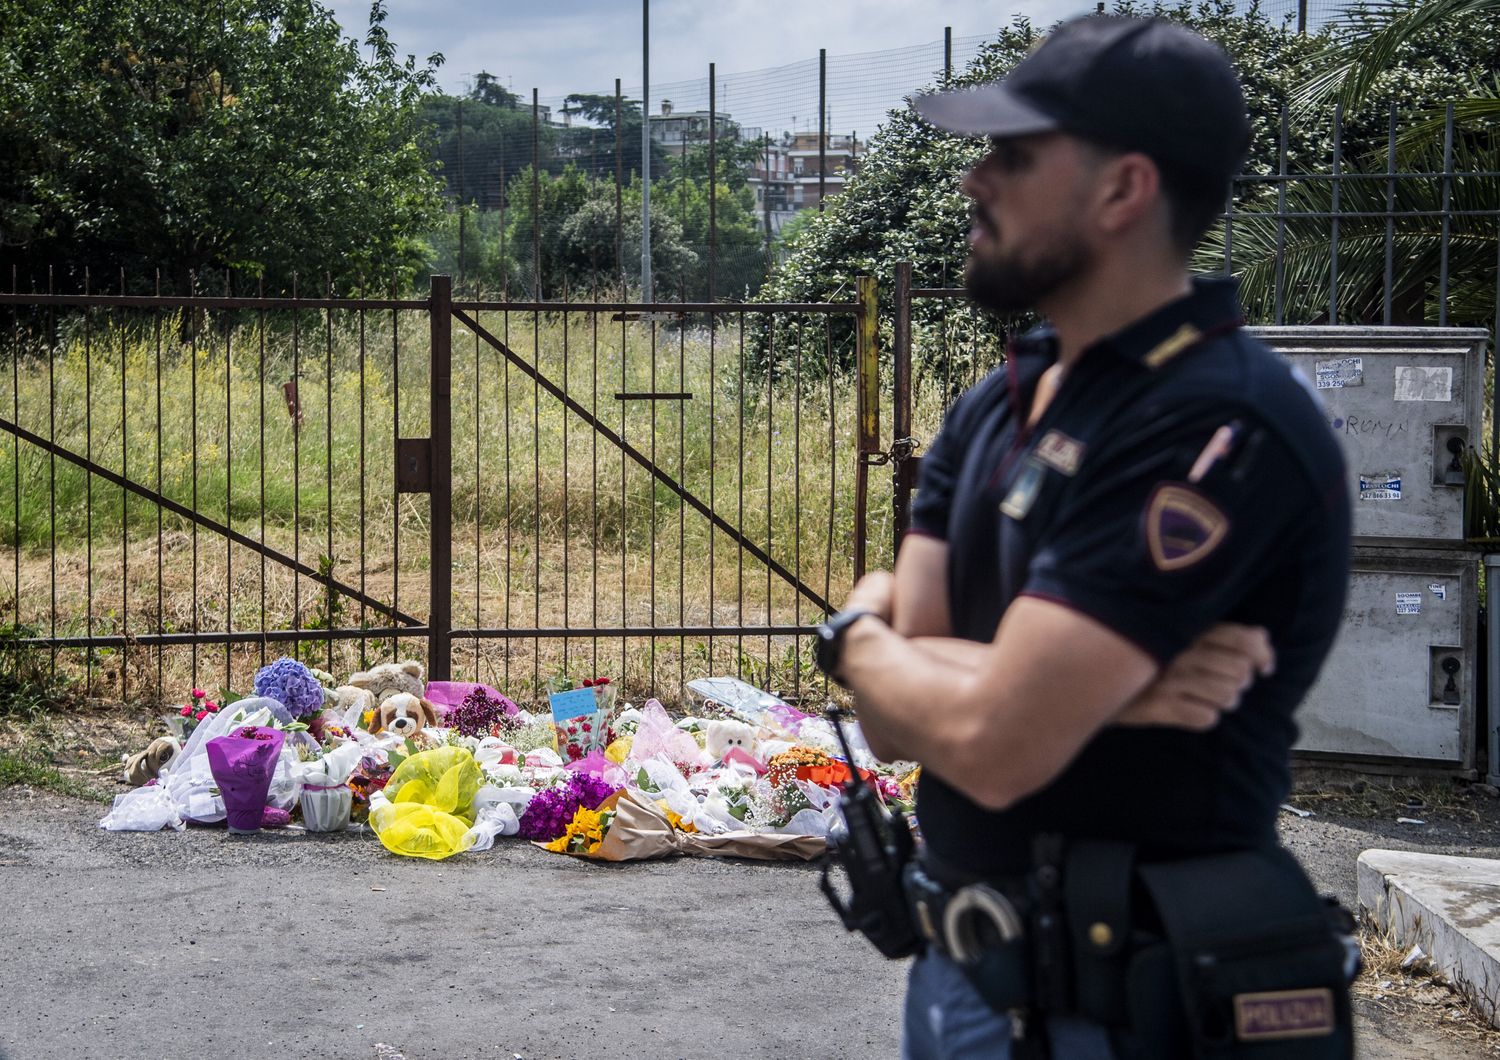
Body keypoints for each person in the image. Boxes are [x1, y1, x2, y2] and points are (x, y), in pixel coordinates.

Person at [813, 15, 1352, 1059]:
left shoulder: (1211, 422)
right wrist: (1039, 687)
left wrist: (853, 637)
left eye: (1014, 155)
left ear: (1122, 191)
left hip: (1138, 1008)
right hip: (963, 982)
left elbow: (992, 744)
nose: (976, 179)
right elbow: (894, 727)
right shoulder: (996, 403)